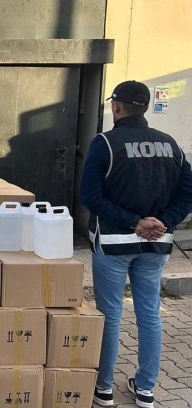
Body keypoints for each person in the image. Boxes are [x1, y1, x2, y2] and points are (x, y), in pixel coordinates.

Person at [80, 80, 192, 408]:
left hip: (114, 244)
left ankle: (104, 389)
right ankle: (145, 390)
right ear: (145, 107)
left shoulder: (105, 143)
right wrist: (164, 221)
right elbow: (188, 192)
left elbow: (90, 197)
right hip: (156, 245)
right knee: (149, 313)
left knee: (111, 314)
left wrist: (134, 222)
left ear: (116, 107)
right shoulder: (170, 145)